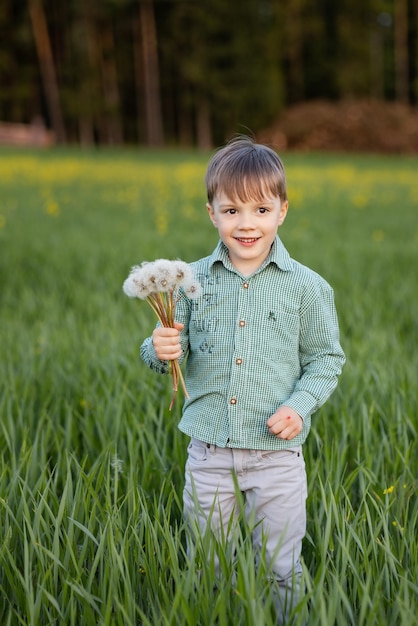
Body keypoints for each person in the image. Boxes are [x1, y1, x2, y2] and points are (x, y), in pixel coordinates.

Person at [140, 136, 345, 623]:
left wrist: (300, 406)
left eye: (260, 208)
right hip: (209, 455)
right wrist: (158, 348)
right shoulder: (187, 282)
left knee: (281, 565)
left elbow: (326, 359)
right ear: (211, 212)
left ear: (282, 211)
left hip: (277, 458)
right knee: (210, 564)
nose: (246, 223)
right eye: (231, 210)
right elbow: (166, 352)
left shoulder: (308, 288)